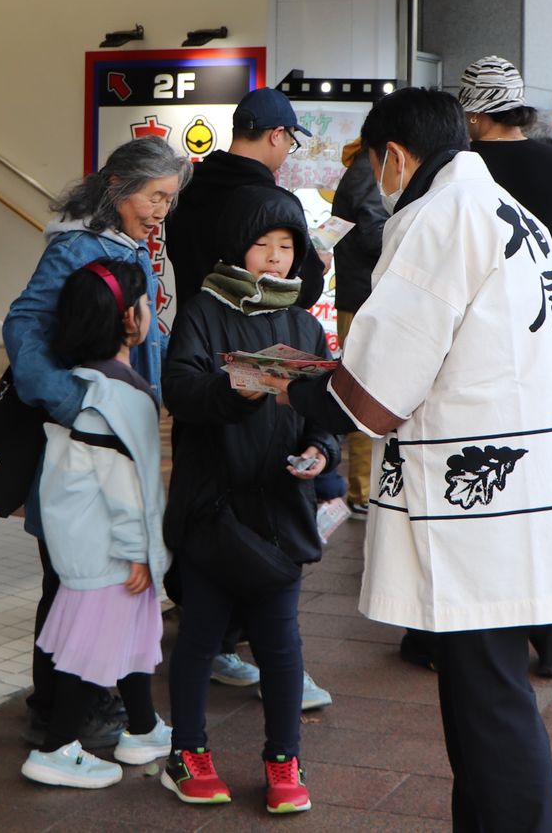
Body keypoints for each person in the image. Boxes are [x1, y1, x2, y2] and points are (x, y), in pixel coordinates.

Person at [312, 88, 552, 832]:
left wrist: (294, 396)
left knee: (488, 696)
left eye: (373, 165)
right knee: (486, 689)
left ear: (394, 156)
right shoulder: (505, 210)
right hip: (527, 476)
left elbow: (383, 380)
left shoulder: (436, 219)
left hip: (481, 499)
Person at [6, 136, 190, 752]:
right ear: (117, 188)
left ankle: (99, 702)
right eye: (154, 196)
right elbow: (24, 324)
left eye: (170, 198)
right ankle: (57, 710)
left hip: (112, 421)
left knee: (101, 577)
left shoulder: (128, 244)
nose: (162, 209)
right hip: (83, 435)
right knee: (72, 575)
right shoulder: (80, 246)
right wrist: (73, 403)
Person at [162, 188, 341, 814]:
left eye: (286, 247)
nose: (274, 259)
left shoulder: (304, 321)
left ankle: (283, 760)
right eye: (262, 245)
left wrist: (322, 451)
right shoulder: (203, 311)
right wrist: (238, 386)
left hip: (282, 507)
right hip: (215, 507)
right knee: (202, 636)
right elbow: (179, 391)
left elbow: (323, 409)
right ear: (238, 248)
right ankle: (187, 752)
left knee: (282, 643)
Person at [456, 61, 552, 682]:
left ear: (472, 113)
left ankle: (458, 629)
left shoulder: (459, 173)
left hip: (475, 356)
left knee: (475, 479)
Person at [24, 259, 173, 790]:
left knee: (129, 635)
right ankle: (56, 748)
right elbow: (122, 487)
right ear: (130, 321)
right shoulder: (123, 395)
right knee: (86, 654)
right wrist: (139, 551)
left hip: (88, 545)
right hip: (110, 551)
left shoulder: (85, 383)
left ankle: (143, 726)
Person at [164, 87, 325, 309]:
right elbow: (305, 291)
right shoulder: (274, 204)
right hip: (250, 340)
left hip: (191, 331)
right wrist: (318, 267)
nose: (289, 148)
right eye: (291, 141)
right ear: (276, 135)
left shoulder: (185, 185)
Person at [328, 138, 388, 519]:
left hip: (362, 296)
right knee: (365, 390)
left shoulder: (364, 167)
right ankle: (362, 490)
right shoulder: (367, 170)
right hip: (363, 298)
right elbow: (371, 232)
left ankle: (365, 487)